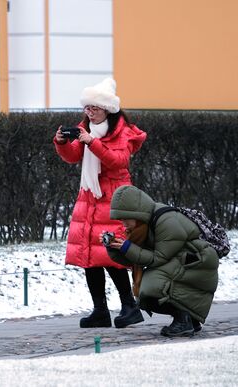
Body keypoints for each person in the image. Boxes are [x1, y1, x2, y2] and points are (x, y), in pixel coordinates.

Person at [53, 78, 147, 328]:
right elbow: (73, 156)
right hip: (90, 196)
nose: (89, 112)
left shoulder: (122, 132)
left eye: (94, 108)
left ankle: (130, 306)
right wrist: (62, 142)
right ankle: (100, 311)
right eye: (87, 108)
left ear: (108, 109)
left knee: (111, 253)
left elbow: (118, 161)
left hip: (115, 198)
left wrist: (90, 142)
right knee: (89, 256)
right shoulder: (86, 129)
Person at [104, 185, 219, 337]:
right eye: (120, 219)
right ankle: (189, 319)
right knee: (147, 292)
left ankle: (183, 319)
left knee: (151, 288)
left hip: (198, 263)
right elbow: (133, 259)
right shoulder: (142, 225)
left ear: (136, 213)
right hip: (184, 262)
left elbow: (158, 258)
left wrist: (127, 247)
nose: (123, 223)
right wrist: (114, 247)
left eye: (125, 218)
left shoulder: (165, 221)